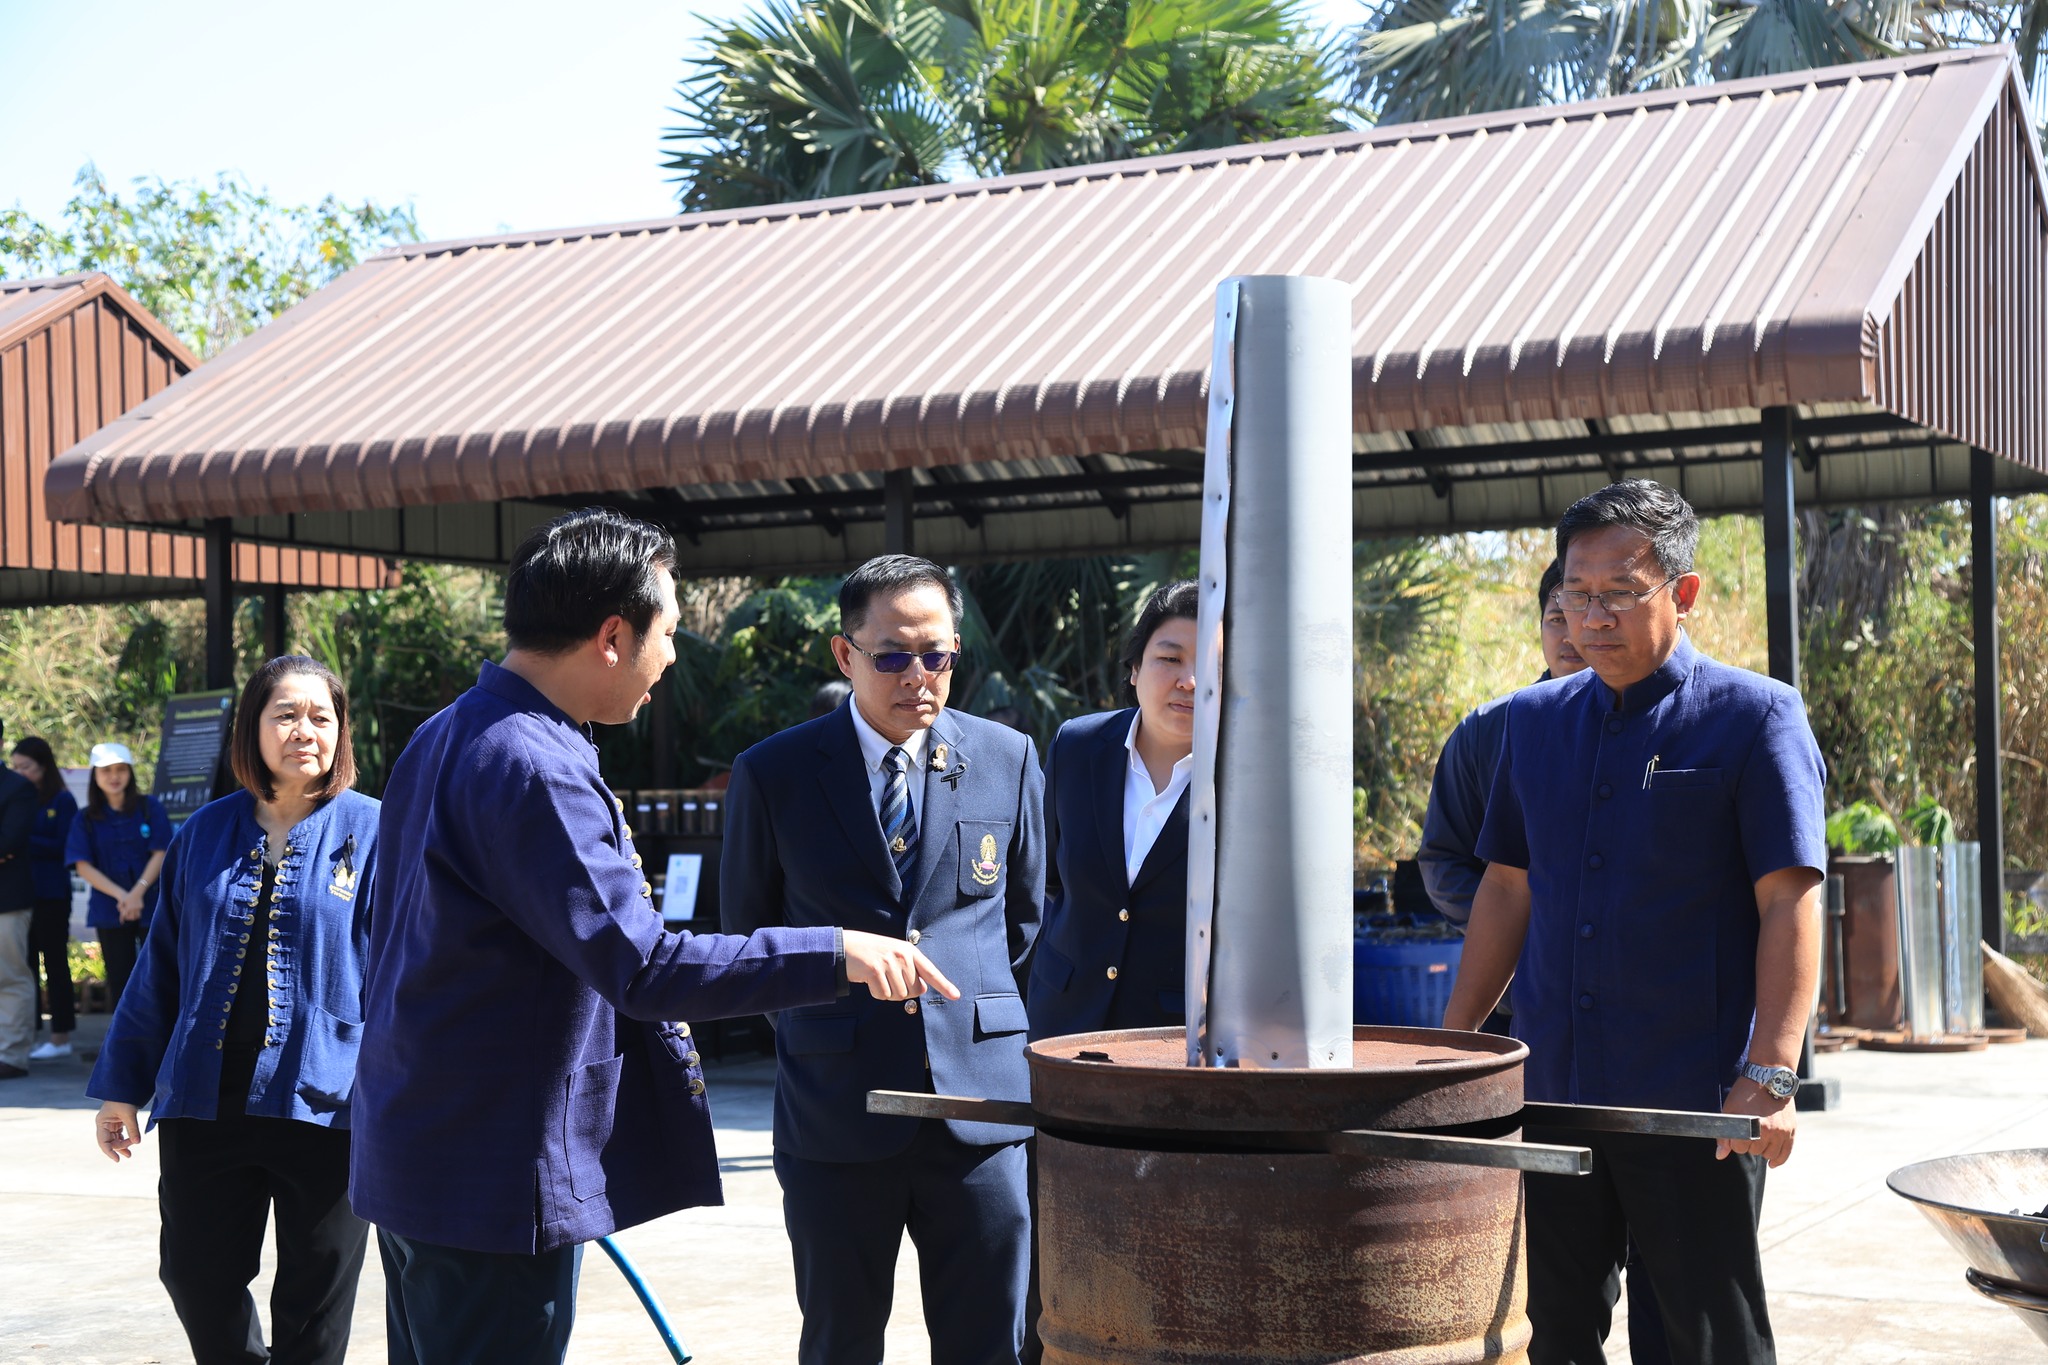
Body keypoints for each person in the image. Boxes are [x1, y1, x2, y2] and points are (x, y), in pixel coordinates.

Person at [352, 509, 948, 1365]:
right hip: (491, 1181)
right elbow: (647, 966)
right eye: (666, 632)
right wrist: (836, 951)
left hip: (419, 1154)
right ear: (611, 636)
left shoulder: (447, 731)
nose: (670, 657)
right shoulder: (533, 764)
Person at [1442, 480, 1825, 1365]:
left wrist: (1771, 1072)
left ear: (1684, 593)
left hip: (1694, 1104)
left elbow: (1790, 898)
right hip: (1552, 1093)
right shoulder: (1532, 722)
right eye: (1577, 594)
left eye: (1620, 592)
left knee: (1699, 1339)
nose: (1593, 616)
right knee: (1553, 1331)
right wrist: (1456, 1048)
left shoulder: (1754, 716)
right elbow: (1506, 888)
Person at [722, 553, 1046, 1365]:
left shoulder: (1006, 758)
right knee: (841, 1341)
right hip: (837, 1109)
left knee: (990, 1343)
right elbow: (749, 939)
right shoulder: (775, 772)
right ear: (846, 653)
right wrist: (823, 1029)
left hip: (980, 1110)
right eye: (893, 655)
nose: (918, 676)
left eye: (937, 655)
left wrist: (973, 1019)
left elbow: (1028, 922)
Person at [87, 657, 384, 1365]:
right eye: (286, 714)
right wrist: (123, 1085)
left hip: (328, 1105)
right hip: (205, 1100)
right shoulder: (204, 831)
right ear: (252, 727)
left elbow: (409, 971)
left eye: (321, 716)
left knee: (315, 1298)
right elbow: (159, 968)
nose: (304, 730)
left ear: (340, 731)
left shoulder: (378, 830)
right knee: (195, 1274)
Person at [1028, 579, 1197, 1040]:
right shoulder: (1076, 745)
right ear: (1134, 668)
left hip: (1174, 1038)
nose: (1189, 681)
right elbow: (1049, 877)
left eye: (1213, 666)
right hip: (1062, 1022)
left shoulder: (1248, 781)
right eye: (1170, 659)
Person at [1417, 560, 1582, 933]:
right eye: (1557, 619)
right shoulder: (1486, 730)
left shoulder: (1653, 723)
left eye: (1582, 616)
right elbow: (1443, 862)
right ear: (1540, 626)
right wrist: (1516, 938)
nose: (1571, 634)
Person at [65, 743, 172, 1010]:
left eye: (120, 769)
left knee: (159, 979)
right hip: (109, 908)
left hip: (153, 905)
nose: (114, 776)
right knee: (120, 981)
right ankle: (124, 1036)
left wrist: (137, 893)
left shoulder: (150, 807)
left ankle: (162, 1036)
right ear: (95, 775)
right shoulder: (85, 818)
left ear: (130, 773)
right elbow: (82, 865)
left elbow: (161, 852)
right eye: (106, 770)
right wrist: (124, 896)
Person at [12, 737, 80, 1060]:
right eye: (16, 767)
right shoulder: (17, 797)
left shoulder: (62, 800)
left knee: (55, 962)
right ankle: (28, 1033)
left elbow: (66, 846)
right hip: (20, 893)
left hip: (52, 893)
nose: (20, 773)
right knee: (24, 966)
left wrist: (22, 840)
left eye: (26, 767)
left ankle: (60, 1036)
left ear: (44, 765)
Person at [0, 720, 39, 1079]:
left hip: (7, 900)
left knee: (10, 976)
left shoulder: (17, 787)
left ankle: (11, 1055)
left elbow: (7, 841)